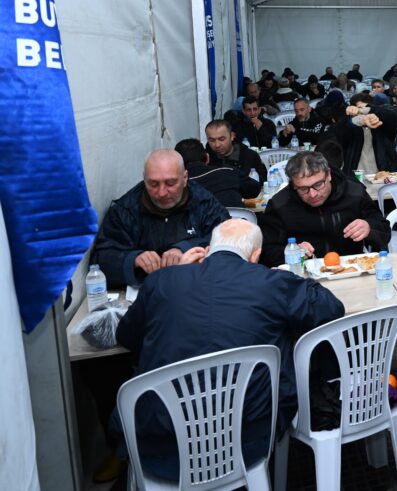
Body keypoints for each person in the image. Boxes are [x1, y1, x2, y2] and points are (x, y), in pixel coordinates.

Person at [111, 219, 344, 482]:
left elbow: (127, 337)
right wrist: (293, 279)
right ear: (255, 255)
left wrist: (176, 275)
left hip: (159, 441)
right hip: (249, 438)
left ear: (208, 249)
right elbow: (330, 308)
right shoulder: (271, 282)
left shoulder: (161, 281)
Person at [90, 149, 229, 286]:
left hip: (196, 285)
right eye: (153, 184)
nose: (162, 193)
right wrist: (133, 259)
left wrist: (186, 248)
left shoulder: (203, 202)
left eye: (170, 183)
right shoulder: (126, 210)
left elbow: (229, 239)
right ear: (144, 179)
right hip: (146, 291)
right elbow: (100, 260)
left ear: (185, 178)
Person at [258, 152, 390, 264]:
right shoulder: (280, 205)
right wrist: (290, 252)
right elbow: (265, 253)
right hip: (303, 276)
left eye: (318, 184)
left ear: (329, 175)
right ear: (293, 184)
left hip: (350, 267)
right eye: (303, 189)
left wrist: (369, 227)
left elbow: (384, 230)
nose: (313, 194)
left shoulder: (353, 193)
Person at [174, 138, 261, 208]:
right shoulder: (228, 170)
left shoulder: (178, 186)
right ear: (207, 158)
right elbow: (255, 189)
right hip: (238, 225)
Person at [334, 91, 397, 176]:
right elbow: (338, 130)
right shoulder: (349, 126)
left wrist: (365, 110)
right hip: (356, 177)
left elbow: (392, 118)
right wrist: (357, 119)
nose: (362, 112)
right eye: (358, 109)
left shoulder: (382, 125)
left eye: (365, 108)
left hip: (383, 175)